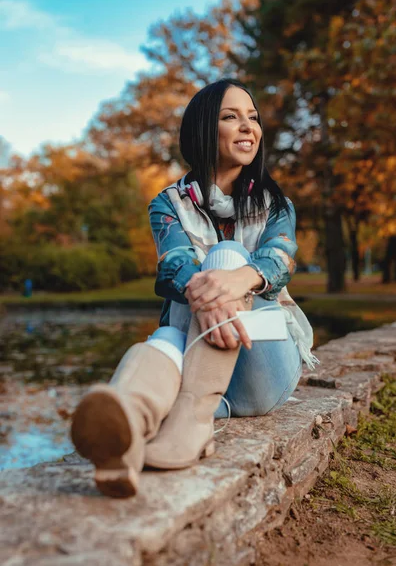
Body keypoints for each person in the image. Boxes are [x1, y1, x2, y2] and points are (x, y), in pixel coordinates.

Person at [71, 79, 317, 499]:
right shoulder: (169, 203)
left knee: (224, 257)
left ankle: (188, 421)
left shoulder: (277, 205)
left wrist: (232, 281)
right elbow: (174, 267)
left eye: (253, 118)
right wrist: (210, 293)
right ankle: (129, 428)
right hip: (205, 370)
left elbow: (279, 261)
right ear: (203, 129)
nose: (248, 127)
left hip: (265, 367)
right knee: (169, 332)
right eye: (231, 117)